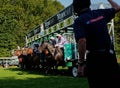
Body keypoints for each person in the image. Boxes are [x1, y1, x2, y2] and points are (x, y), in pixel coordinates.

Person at [73, 0, 120, 88]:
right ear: (89, 4)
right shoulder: (100, 13)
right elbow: (117, 7)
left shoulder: (79, 21)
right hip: (110, 57)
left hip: (95, 60)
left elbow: (82, 41)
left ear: (75, 8)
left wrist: (81, 64)